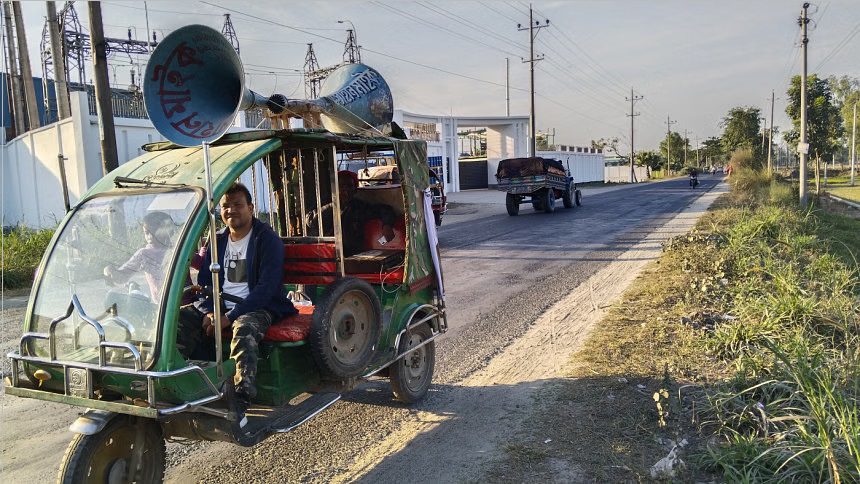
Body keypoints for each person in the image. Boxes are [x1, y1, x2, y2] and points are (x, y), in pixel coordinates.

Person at [178, 182, 295, 426]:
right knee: (180, 319)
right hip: (220, 306)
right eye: (226, 206)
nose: (231, 210)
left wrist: (229, 317)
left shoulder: (267, 239)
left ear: (251, 208)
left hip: (259, 306)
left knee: (244, 328)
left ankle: (242, 397)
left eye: (238, 205)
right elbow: (204, 281)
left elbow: (267, 288)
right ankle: (182, 383)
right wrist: (210, 311)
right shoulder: (218, 240)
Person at [307, 171, 397, 256]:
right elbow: (311, 221)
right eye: (341, 186)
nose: (346, 190)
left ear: (355, 190)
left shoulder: (359, 207)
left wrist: (387, 225)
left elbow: (385, 210)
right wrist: (334, 205)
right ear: (334, 189)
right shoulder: (323, 204)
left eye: (349, 186)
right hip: (326, 254)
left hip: (352, 255)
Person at [104, 211, 175, 301]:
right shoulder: (144, 255)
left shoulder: (178, 248)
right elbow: (122, 276)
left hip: (188, 298)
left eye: (154, 231)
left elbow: (197, 264)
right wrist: (110, 271)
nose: (150, 236)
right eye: (146, 232)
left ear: (168, 232)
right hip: (165, 306)